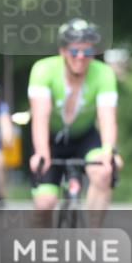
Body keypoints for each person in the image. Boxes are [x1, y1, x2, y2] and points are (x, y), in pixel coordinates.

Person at [28, 18, 121, 227]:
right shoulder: (43, 70)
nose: (81, 57)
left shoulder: (104, 73)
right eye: (74, 51)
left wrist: (108, 152)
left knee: (103, 172)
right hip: (50, 139)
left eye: (87, 52)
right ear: (62, 51)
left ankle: (93, 237)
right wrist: (41, 152)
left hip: (84, 137)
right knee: (45, 202)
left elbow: (107, 118)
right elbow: (40, 116)